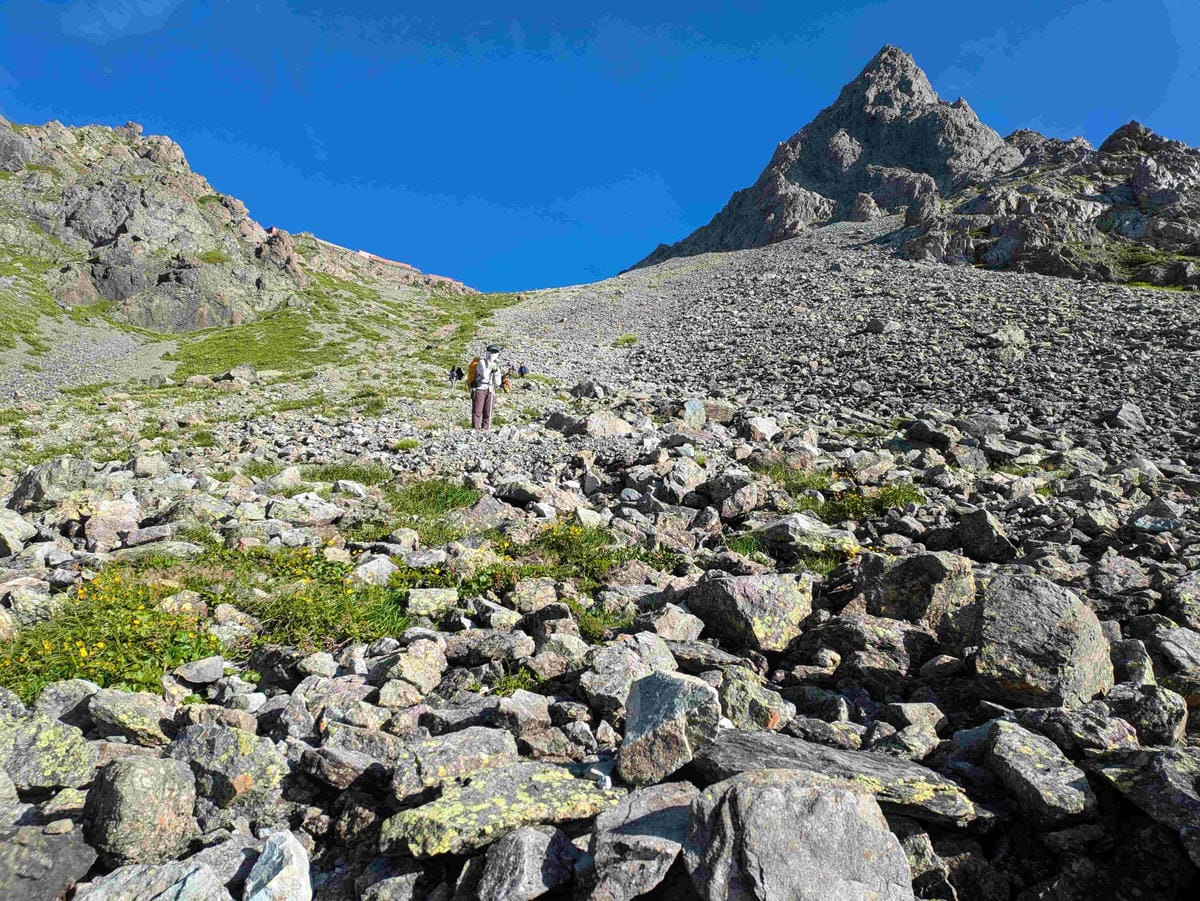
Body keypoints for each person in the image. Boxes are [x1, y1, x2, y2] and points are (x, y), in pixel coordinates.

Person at [467, 344, 503, 430]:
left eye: (495, 352)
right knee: (477, 411)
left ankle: (485, 431)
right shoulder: (481, 362)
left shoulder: (496, 366)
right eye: (492, 352)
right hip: (480, 389)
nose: (493, 354)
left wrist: (496, 371)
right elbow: (485, 375)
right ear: (488, 353)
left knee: (488, 412)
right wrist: (491, 366)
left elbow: (498, 383)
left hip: (491, 390)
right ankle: (475, 430)